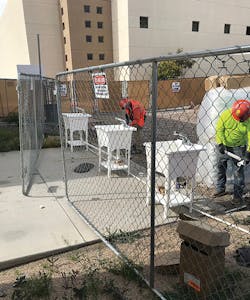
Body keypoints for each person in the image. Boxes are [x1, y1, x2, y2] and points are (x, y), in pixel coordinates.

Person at [214, 99, 250, 204]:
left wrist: (248, 152)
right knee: (220, 167)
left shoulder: (248, 119)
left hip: (239, 148)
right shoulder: (226, 115)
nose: (241, 120)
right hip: (224, 146)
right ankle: (220, 188)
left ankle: (237, 195)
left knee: (238, 172)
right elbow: (219, 129)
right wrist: (220, 143)